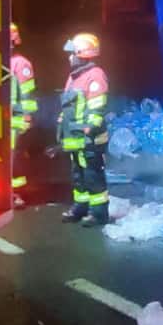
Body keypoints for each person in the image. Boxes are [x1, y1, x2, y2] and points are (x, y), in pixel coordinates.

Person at [58, 32, 109, 226]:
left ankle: (99, 213)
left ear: (82, 53)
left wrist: (90, 129)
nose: (70, 57)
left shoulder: (95, 76)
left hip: (90, 139)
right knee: (78, 176)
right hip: (75, 136)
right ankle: (80, 208)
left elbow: (97, 107)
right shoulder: (73, 77)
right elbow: (68, 106)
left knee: (93, 176)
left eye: (72, 53)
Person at [8, 23, 38, 205]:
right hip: (2, 117)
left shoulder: (21, 64)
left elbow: (27, 93)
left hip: (16, 119)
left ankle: (16, 193)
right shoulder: (1, 60)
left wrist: (26, 116)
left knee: (14, 157)